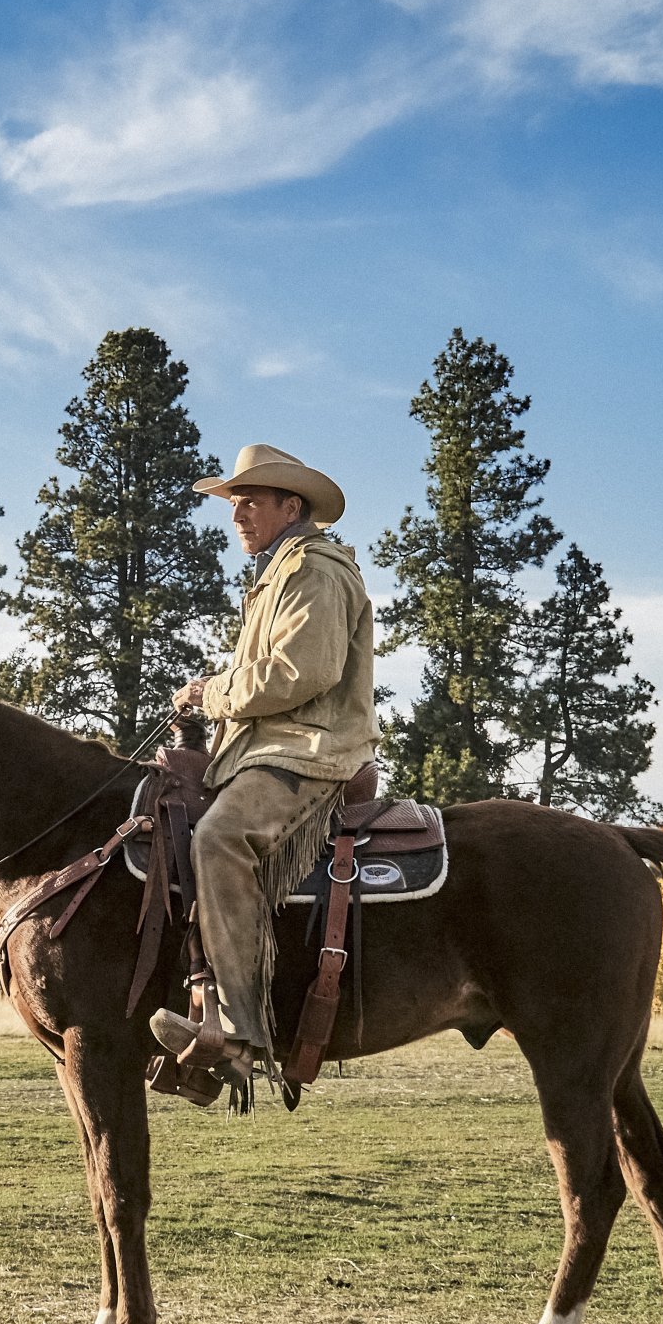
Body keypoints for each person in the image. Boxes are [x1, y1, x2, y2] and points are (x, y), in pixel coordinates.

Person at [155, 443, 381, 1092]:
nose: (237, 515)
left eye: (250, 501)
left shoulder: (314, 571)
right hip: (268, 748)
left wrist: (212, 692)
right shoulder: (277, 575)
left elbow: (301, 672)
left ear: (291, 506)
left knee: (220, 838)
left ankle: (240, 1032)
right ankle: (195, 997)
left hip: (308, 750)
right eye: (234, 503)